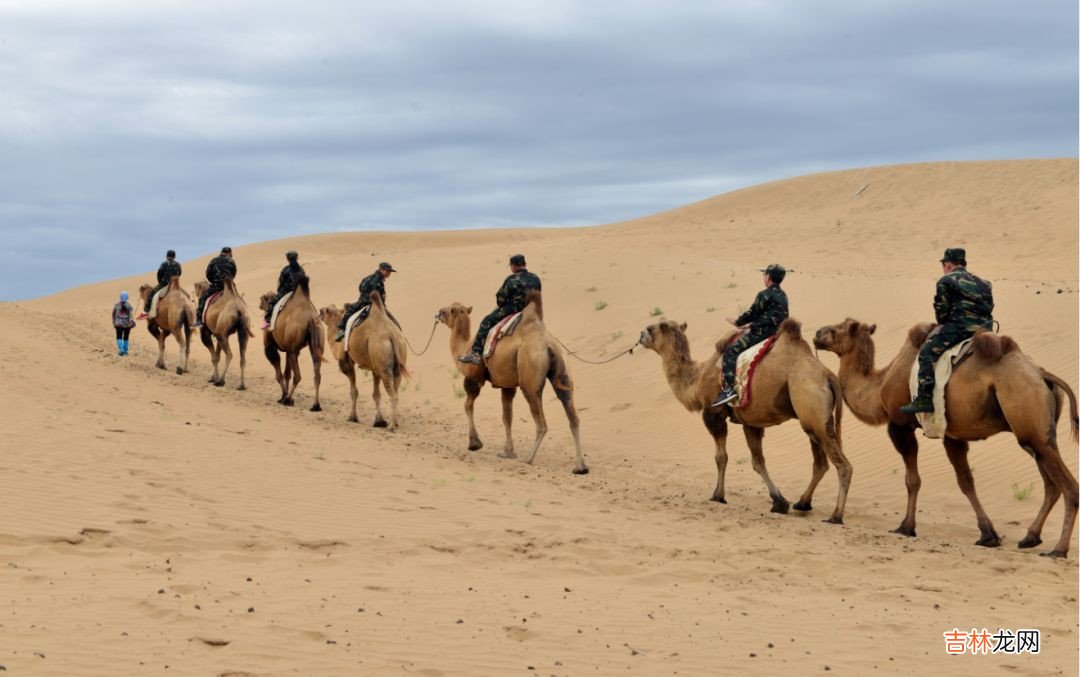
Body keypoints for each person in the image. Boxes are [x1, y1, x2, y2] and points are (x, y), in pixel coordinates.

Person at [899, 248, 994, 414]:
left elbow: (942, 313)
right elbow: (990, 306)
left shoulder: (946, 281)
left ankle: (924, 399)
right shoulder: (984, 283)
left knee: (926, 353)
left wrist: (945, 322)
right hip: (985, 330)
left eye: (943, 264)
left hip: (960, 329)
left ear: (948, 264)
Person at [711, 264, 789, 406]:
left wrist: (738, 321)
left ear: (768, 277)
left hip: (762, 333)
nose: (764, 277)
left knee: (730, 352)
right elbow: (774, 316)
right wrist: (751, 324)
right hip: (779, 332)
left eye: (764, 274)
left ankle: (728, 390)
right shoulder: (783, 295)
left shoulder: (764, 294)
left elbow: (752, 313)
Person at [458, 254, 542, 365]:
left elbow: (500, 300)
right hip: (533, 311)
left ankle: (476, 353)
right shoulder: (536, 278)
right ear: (525, 264)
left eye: (511, 265)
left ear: (513, 266)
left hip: (513, 309)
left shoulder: (511, 279)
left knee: (486, 321)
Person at [335, 262, 398, 341]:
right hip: (373, 303)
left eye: (389, 272)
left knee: (349, 311)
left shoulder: (367, 278)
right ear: (381, 269)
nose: (389, 273)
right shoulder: (379, 282)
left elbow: (360, 288)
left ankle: (341, 330)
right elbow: (381, 295)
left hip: (362, 301)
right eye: (388, 271)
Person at [262, 250, 306, 329]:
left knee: (272, 303)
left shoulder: (286, 269)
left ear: (287, 259)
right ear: (297, 258)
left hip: (287, 291)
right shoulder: (301, 270)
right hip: (300, 292)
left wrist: (279, 291)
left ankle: (267, 321)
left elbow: (281, 282)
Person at [195, 246, 237, 327]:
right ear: (229, 253)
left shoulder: (213, 260)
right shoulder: (231, 261)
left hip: (216, 286)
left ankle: (199, 320)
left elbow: (208, 274)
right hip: (229, 287)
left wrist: (214, 281)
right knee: (239, 299)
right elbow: (233, 273)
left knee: (202, 298)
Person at [137, 249, 182, 320]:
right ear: (174, 256)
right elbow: (179, 273)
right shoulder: (178, 264)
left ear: (166, 256)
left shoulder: (163, 264)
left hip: (164, 284)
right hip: (175, 284)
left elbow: (159, 274)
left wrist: (160, 282)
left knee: (152, 294)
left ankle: (146, 312)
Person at [113, 291, 136, 356]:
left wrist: (114, 322)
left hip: (118, 324)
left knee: (119, 337)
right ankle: (125, 351)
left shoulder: (116, 305)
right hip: (127, 324)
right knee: (126, 337)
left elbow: (113, 314)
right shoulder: (129, 305)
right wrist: (131, 322)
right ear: (127, 297)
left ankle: (121, 350)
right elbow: (131, 315)